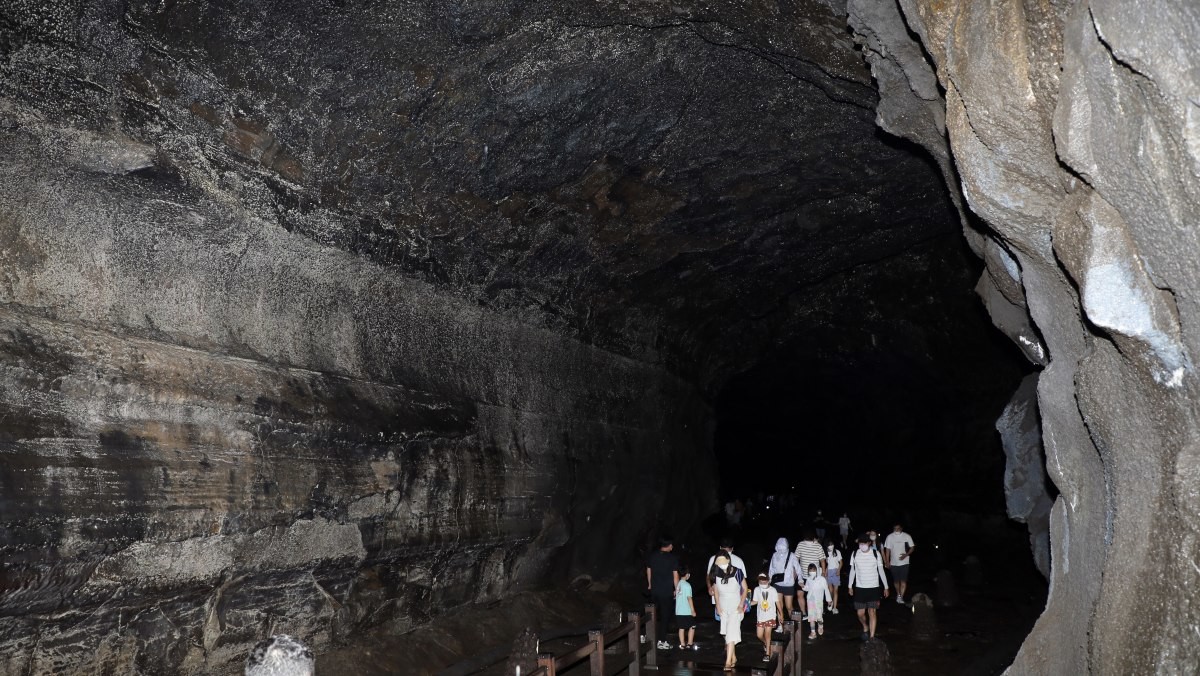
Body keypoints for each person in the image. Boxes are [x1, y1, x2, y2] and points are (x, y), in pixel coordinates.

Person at [848, 535, 889, 641]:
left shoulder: (876, 554)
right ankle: (865, 626)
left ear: (869, 543)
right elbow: (853, 570)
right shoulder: (855, 553)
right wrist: (849, 585)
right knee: (860, 613)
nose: (862, 546)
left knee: (872, 612)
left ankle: (871, 636)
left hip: (874, 587)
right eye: (860, 544)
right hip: (860, 588)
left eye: (864, 544)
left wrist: (886, 586)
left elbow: (881, 571)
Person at [710, 553, 747, 670]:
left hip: (735, 605)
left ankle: (727, 662)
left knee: (731, 632)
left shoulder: (737, 572)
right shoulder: (716, 572)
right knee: (727, 632)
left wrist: (741, 604)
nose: (722, 566)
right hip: (723, 605)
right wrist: (718, 606)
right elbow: (715, 590)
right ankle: (734, 657)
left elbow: (745, 588)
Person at [646, 536, 680, 650]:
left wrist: (650, 584)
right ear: (669, 545)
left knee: (652, 615)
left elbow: (649, 570)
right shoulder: (672, 558)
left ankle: (648, 637)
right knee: (665, 617)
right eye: (672, 545)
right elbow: (675, 575)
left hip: (655, 590)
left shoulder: (653, 556)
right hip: (666, 592)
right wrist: (677, 589)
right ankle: (661, 641)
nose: (673, 547)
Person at [767, 537, 802, 623]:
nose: (781, 549)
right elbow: (771, 568)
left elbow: (798, 569)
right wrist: (769, 579)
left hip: (788, 584)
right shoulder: (775, 555)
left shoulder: (792, 555)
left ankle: (795, 624)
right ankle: (780, 625)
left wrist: (800, 580)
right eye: (779, 546)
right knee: (779, 606)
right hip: (777, 584)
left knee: (789, 606)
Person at [793, 531, 826, 619]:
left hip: (814, 576)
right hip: (803, 575)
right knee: (800, 594)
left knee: (814, 596)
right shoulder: (800, 545)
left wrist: (823, 573)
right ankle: (804, 613)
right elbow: (796, 559)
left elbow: (822, 560)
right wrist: (795, 573)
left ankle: (816, 611)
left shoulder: (818, 546)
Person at [752, 573, 783, 661]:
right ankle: (767, 643)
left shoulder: (773, 590)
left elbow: (778, 603)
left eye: (764, 581)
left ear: (768, 581)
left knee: (767, 634)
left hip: (770, 615)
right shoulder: (757, 589)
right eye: (761, 582)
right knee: (759, 635)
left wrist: (781, 615)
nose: (762, 583)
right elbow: (755, 601)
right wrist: (746, 605)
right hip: (761, 616)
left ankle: (767, 653)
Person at [883, 523, 917, 604]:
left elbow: (912, 547)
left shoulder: (907, 536)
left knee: (903, 581)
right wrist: (887, 562)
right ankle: (898, 594)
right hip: (894, 563)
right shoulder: (889, 537)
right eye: (895, 528)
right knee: (896, 581)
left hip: (905, 562)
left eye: (898, 528)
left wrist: (906, 555)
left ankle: (901, 597)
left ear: (901, 528)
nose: (896, 529)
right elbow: (887, 550)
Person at [706, 538, 748, 602]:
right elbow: (743, 581)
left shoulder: (713, 558)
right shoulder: (739, 560)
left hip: (720, 598)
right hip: (735, 598)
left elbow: (708, 576)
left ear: (720, 547)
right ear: (732, 548)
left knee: (719, 610)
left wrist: (709, 587)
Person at [801, 563, 832, 638]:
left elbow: (826, 589)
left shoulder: (822, 579)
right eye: (810, 571)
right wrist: (803, 587)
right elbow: (808, 588)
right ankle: (813, 632)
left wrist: (829, 600)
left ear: (816, 570)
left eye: (813, 570)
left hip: (819, 601)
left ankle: (820, 625)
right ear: (808, 571)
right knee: (811, 617)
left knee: (819, 617)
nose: (812, 572)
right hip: (810, 600)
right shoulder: (808, 579)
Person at [675, 564, 699, 650]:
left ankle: (682, 644)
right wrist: (693, 610)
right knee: (692, 626)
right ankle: (689, 643)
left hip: (678, 611)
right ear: (687, 574)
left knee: (681, 628)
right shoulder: (687, 585)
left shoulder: (679, 585)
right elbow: (689, 598)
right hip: (687, 611)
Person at [824, 538, 843, 615]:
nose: (831, 546)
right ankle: (830, 601)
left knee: (835, 591)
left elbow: (841, 562)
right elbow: (826, 564)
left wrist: (838, 570)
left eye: (832, 544)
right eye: (829, 545)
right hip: (829, 572)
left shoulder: (837, 552)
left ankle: (834, 608)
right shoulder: (825, 553)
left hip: (835, 571)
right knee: (830, 590)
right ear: (827, 545)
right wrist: (825, 571)